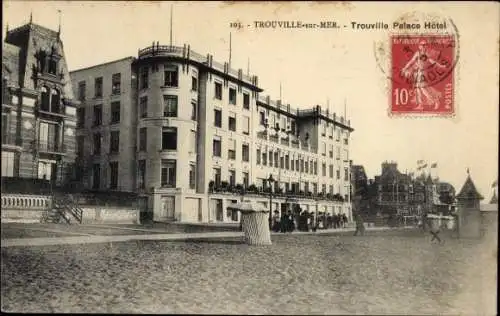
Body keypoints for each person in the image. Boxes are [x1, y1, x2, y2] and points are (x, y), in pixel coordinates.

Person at [401, 39, 449, 110]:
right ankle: (420, 105)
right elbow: (411, 61)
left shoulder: (427, 54)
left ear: (426, 46)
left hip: (423, 73)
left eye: (425, 45)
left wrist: (441, 66)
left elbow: (433, 62)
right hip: (418, 72)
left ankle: (435, 101)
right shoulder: (417, 53)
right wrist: (405, 68)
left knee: (423, 87)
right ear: (419, 46)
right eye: (422, 45)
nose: (424, 46)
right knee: (418, 88)